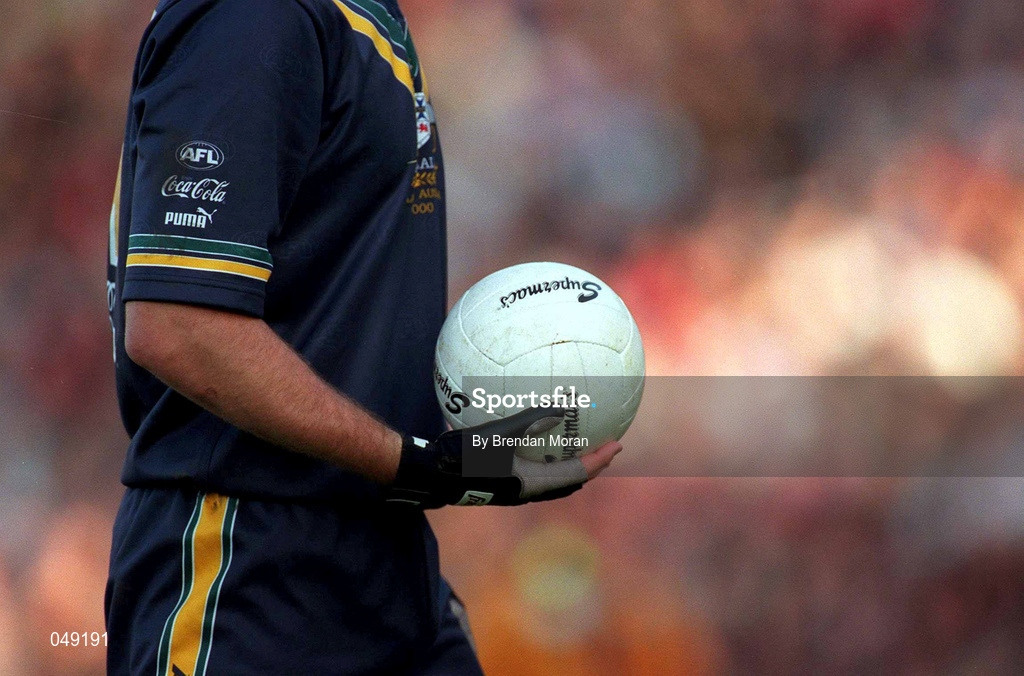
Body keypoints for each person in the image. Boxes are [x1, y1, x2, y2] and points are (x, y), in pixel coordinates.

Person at [103, 0, 623, 674]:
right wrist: (416, 463)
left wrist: (462, 444)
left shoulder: (355, 13)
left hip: (378, 557)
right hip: (246, 568)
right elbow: (178, 327)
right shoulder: (255, 17)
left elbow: (337, 300)